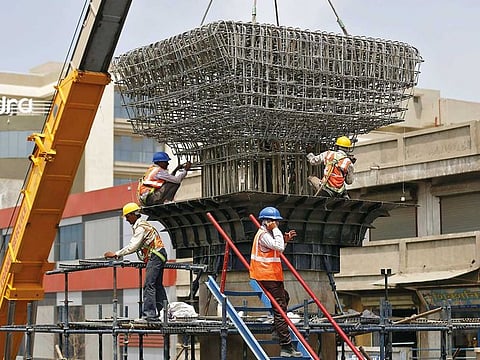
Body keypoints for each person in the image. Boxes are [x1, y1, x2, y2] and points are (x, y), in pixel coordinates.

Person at [249, 206, 302, 358]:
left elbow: (277, 249)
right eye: (275, 222)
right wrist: (278, 233)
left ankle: (277, 330)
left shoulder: (266, 235)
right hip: (267, 276)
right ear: (268, 222)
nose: (277, 225)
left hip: (270, 276)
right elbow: (276, 246)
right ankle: (286, 346)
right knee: (280, 310)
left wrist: (284, 239)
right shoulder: (264, 234)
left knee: (284, 297)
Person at [104, 202, 168, 321]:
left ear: (134, 214)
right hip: (158, 255)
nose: (127, 220)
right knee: (157, 285)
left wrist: (116, 254)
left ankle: (150, 314)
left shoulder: (140, 227)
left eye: (128, 216)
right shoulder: (142, 225)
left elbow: (133, 246)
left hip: (155, 256)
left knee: (149, 285)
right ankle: (164, 312)